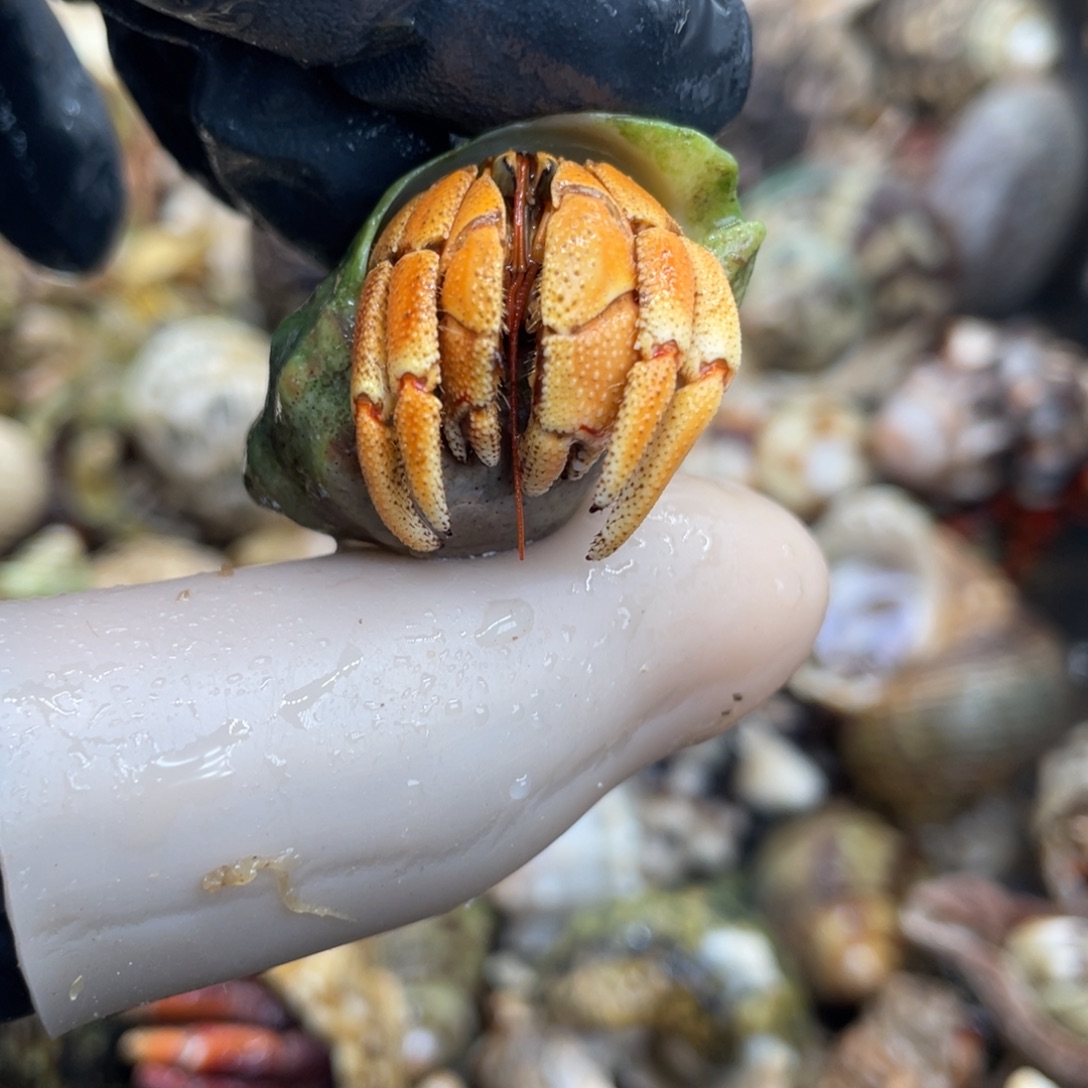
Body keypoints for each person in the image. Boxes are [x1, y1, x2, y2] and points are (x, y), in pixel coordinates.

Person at [0, 0, 828, 1038]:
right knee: (463, 247)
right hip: (427, 259)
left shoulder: (625, 224)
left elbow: (694, 329)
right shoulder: (454, 237)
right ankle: (419, 470)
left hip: (602, 225)